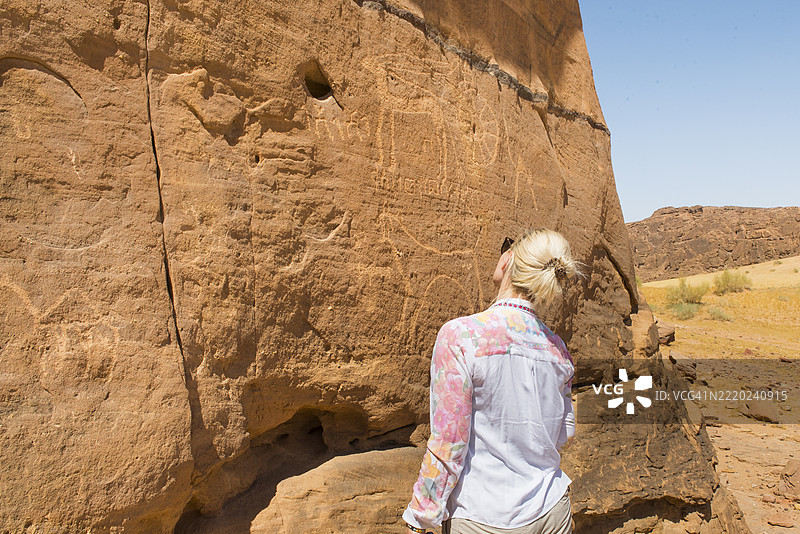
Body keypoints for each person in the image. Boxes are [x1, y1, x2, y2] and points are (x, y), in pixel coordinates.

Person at [402, 228, 583, 534]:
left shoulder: (461, 337)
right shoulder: (557, 349)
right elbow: (564, 432)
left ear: (507, 261)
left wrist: (421, 518)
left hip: (484, 517)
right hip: (552, 510)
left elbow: (449, 443)